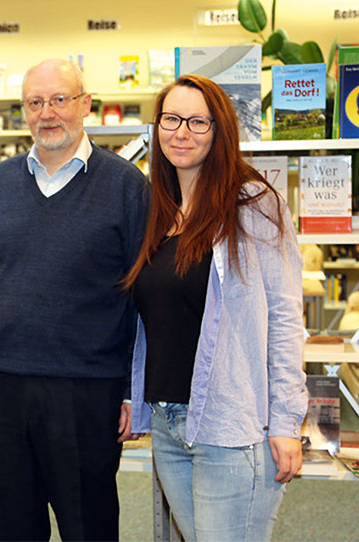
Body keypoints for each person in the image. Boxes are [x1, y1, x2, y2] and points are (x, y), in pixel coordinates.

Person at [0, 58, 149, 541]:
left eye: (59, 100)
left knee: (87, 527)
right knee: (8, 529)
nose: (48, 113)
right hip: (1, 390)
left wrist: (133, 387)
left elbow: (142, 296)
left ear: (85, 104)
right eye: (35, 102)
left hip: (85, 392)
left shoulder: (127, 187)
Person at [123, 74, 308, 541]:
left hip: (231, 427)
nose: (181, 132)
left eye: (197, 122)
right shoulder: (159, 212)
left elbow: (286, 320)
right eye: (171, 118)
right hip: (169, 424)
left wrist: (286, 422)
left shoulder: (254, 205)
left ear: (219, 130)